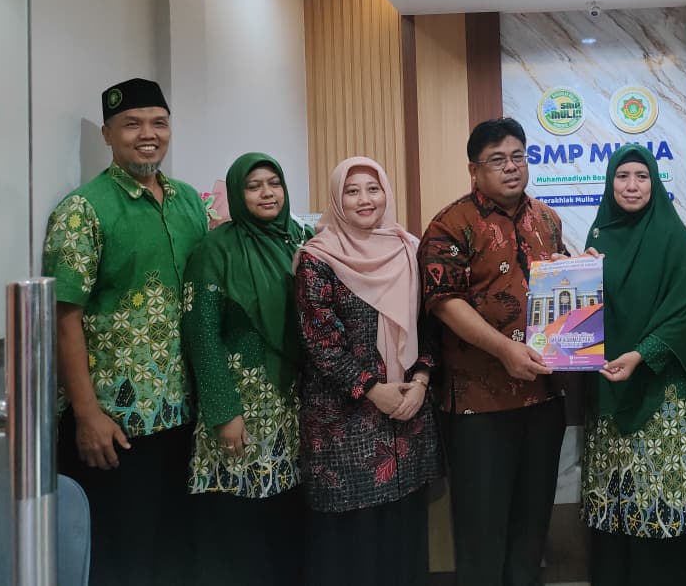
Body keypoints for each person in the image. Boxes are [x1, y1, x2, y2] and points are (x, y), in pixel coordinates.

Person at [43, 77, 208, 586]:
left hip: (183, 411)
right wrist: (87, 414)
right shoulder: (82, 210)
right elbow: (63, 317)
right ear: (108, 134)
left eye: (159, 123)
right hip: (117, 423)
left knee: (176, 552)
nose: (148, 134)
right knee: (121, 559)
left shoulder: (188, 202)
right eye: (132, 124)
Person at [420, 117, 568, 586]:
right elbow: (444, 303)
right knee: (481, 531)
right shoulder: (450, 224)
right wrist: (504, 349)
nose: (511, 167)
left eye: (518, 156)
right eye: (497, 160)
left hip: (543, 397)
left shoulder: (547, 219)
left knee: (531, 526)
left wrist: (578, 271)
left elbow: (561, 284)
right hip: (478, 406)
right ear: (474, 169)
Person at [580, 144, 686, 586]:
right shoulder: (598, 238)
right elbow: (585, 315)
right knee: (619, 504)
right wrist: (579, 275)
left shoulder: (674, 237)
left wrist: (642, 354)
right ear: (610, 182)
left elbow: (684, 311)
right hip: (611, 389)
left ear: (655, 183)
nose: (631, 185)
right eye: (622, 176)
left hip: (665, 395)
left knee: (665, 501)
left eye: (641, 177)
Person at [294, 156, 441, 584]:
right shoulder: (317, 258)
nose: (364, 199)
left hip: (407, 416)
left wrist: (421, 381)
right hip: (344, 424)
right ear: (336, 199)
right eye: (352, 191)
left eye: (373, 189)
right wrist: (374, 389)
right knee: (352, 544)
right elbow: (320, 342)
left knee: (403, 533)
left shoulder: (409, 249)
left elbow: (430, 325)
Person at [181, 152, 311, 585]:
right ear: (238, 194)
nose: (267, 193)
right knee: (239, 515)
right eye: (253, 186)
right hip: (242, 404)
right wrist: (223, 411)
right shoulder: (214, 250)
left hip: (292, 402)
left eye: (274, 183)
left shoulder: (299, 239)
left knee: (286, 513)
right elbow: (201, 333)